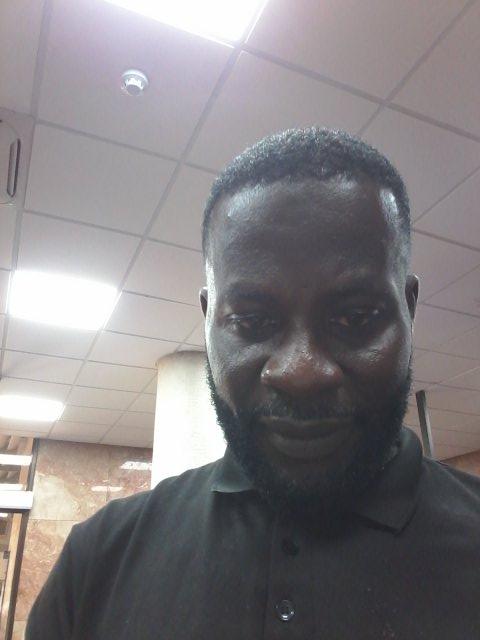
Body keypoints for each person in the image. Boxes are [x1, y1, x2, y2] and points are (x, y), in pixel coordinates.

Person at [27, 128, 480, 639]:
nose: (301, 371)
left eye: (356, 317)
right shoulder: (96, 565)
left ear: (409, 310)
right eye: (252, 321)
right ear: (208, 319)